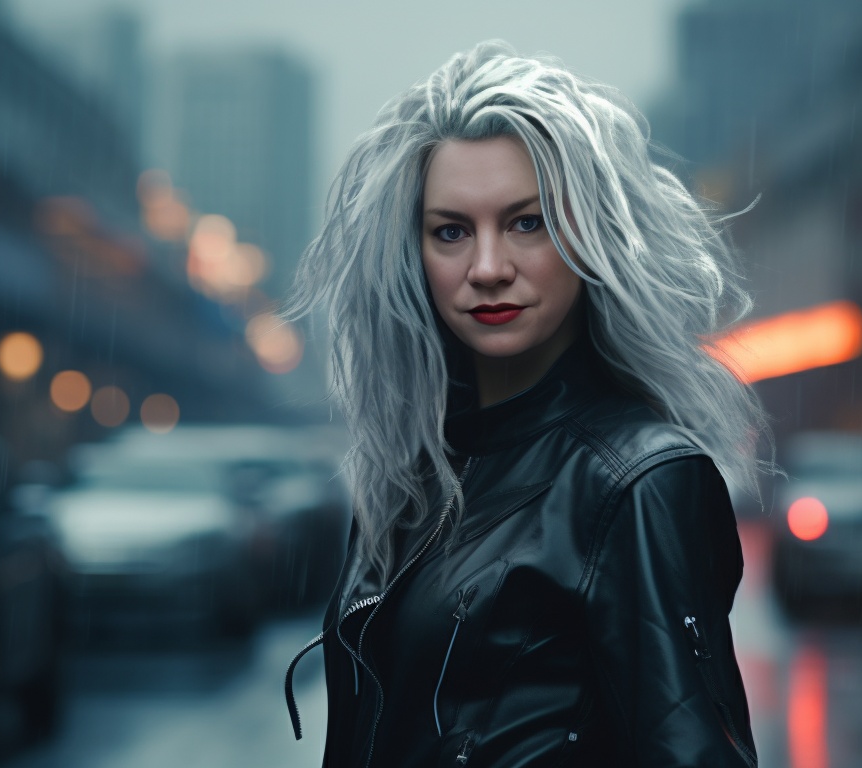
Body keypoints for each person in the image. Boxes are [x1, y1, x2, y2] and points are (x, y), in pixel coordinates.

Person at [283, 40, 766, 767]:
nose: (486, 268)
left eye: (525, 222)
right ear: (413, 254)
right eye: (451, 231)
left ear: (586, 235)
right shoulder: (412, 480)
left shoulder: (637, 483)